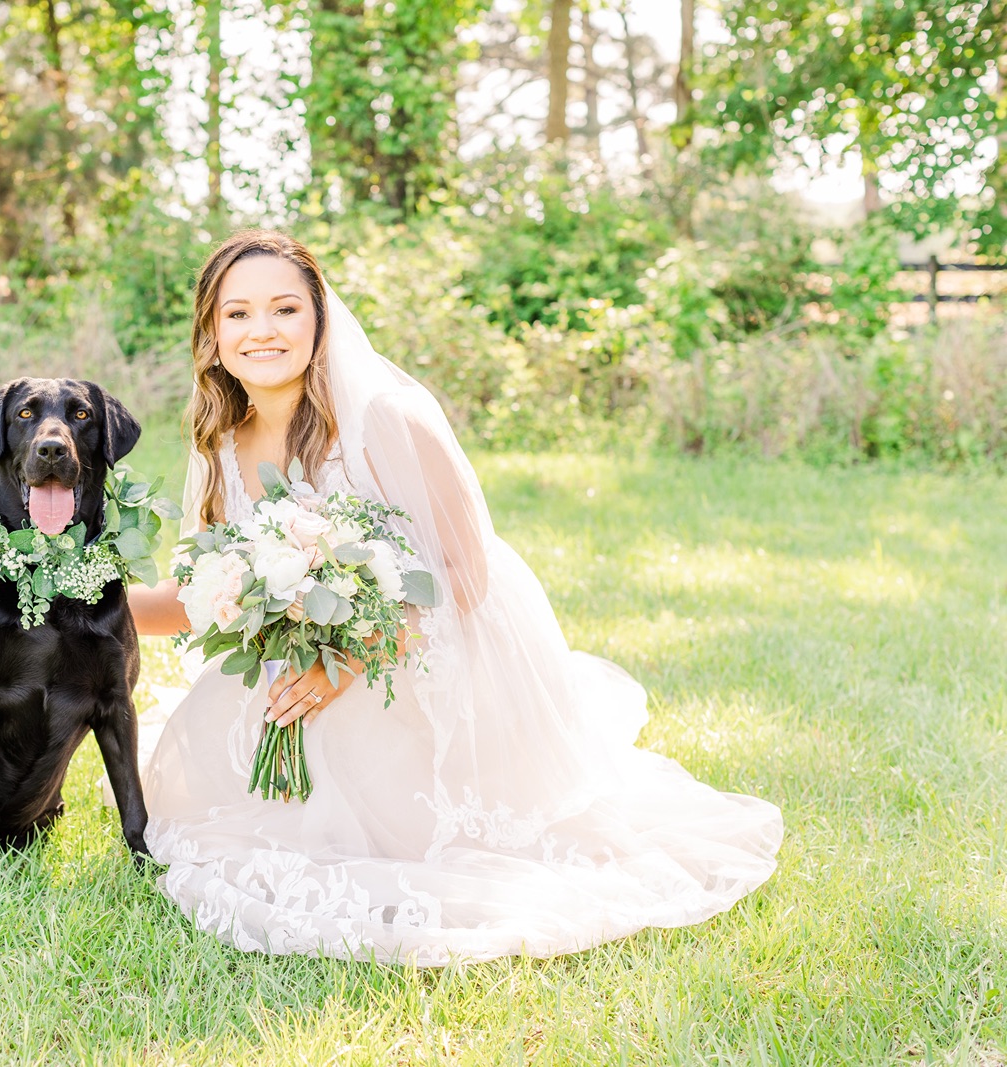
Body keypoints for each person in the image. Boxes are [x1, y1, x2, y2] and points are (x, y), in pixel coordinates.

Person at [125, 229, 782, 966]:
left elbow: (466, 573)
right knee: (194, 811)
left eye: (284, 309)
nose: (263, 330)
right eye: (237, 314)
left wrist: (344, 663)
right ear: (212, 335)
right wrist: (82, 601)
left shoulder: (383, 417)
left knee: (404, 843)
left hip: (417, 650)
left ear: (320, 320)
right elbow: (203, 592)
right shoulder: (220, 441)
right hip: (299, 661)